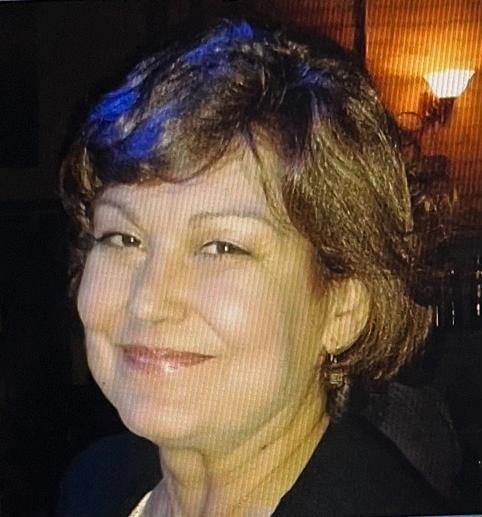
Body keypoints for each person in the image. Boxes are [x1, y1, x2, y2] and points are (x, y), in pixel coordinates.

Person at [59, 18, 451, 516]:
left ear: (343, 309)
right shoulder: (96, 484)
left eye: (222, 247)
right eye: (123, 237)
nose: (148, 301)